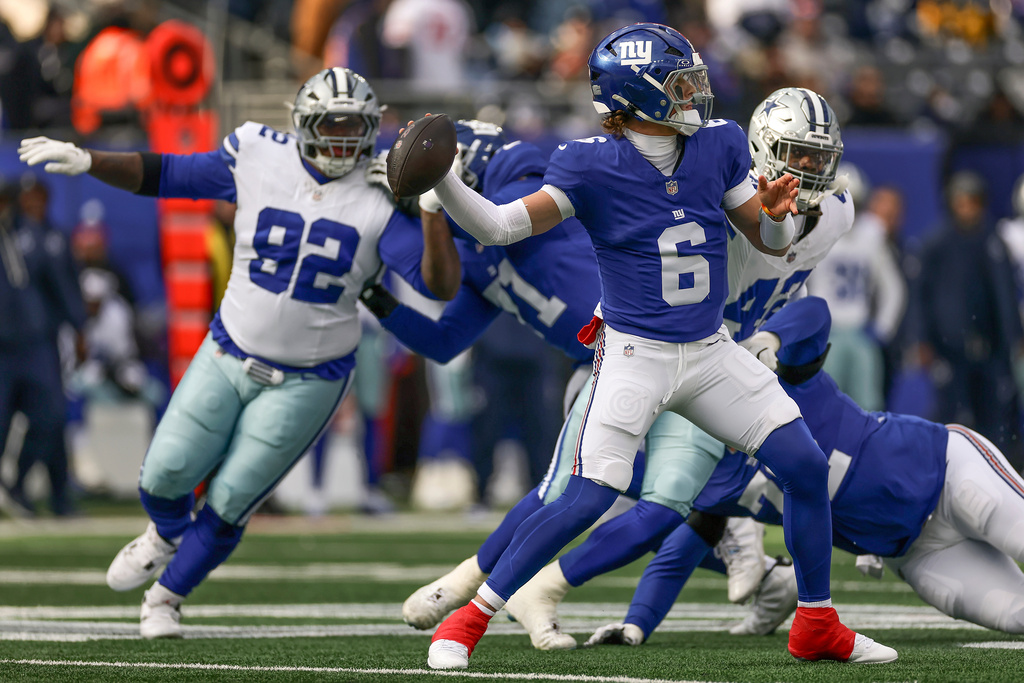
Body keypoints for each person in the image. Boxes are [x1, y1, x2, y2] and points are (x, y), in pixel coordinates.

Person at [418, 23, 896, 668]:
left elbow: (770, 243)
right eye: (680, 83)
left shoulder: (717, 145)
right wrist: (444, 183)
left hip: (709, 349)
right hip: (634, 353)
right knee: (588, 495)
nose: (696, 92)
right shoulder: (589, 163)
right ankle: (468, 621)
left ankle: (816, 623)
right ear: (637, 94)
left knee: (804, 466)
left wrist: (777, 212)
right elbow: (500, 227)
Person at [18, 66, 456, 638]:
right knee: (162, 476)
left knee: (232, 499)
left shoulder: (381, 191)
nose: (344, 139)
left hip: (312, 375)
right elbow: (168, 173)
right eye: (332, 124)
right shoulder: (257, 151)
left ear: (373, 128)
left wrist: (430, 208)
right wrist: (89, 159)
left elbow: (436, 285)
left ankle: (165, 599)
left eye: (356, 126)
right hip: (230, 349)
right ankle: (163, 533)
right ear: (303, 124)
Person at [584, 295, 1024, 644]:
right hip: (915, 553)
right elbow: (675, 558)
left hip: (946, 469)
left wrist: (770, 340)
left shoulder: (771, 377)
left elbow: (815, 312)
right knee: (1016, 615)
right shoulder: (705, 481)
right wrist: (635, 626)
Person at [909, 170, 1024, 470]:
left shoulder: (993, 241)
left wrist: (1013, 338)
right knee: (952, 415)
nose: (967, 209)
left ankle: (998, 474)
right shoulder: (936, 243)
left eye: (972, 202)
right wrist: (921, 339)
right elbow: (919, 296)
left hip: (990, 347)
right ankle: (948, 473)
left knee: (995, 417)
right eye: (961, 202)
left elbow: (1005, 295)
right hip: (949, 346)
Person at [0, 173, 86, 517]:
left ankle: (18, 483)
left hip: (36, 343)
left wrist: (78, 327)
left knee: (50, 417)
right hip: (2, 348)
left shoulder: (41, 236)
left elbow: (62, 286)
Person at [805, 163, 907, 411]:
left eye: (853, 202)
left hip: (860, 331)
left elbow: (893, 288)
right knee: (823, 406)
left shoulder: (872, 235)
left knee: (867, 409)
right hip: (825, 332)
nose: (847, 209)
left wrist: (881, 329)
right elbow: (798, 283)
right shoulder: (814, 229)